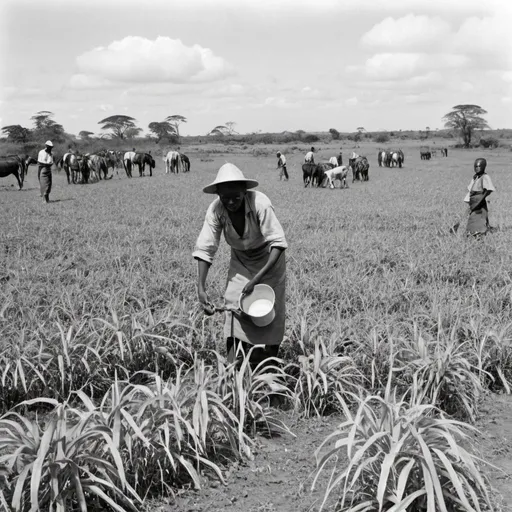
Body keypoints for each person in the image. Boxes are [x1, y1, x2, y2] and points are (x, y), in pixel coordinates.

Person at [193, 163, 288, 367]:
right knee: (233, 305)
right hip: (241, 260)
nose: (230, 201)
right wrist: (201, 288)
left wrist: (257, 279)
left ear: (244, 191)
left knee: (269, 310)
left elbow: (278, 244)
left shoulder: (260, 203)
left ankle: (270, 362)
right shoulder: (216, 210)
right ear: (217, 194)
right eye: (224, 197)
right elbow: (205, 248)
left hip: (269, 261)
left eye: (235, 196)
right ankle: (231, 364)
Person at [464, 158, 496, 237]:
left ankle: (478, 233)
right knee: (475, 216)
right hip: (474, 200)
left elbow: (488, 190)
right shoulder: (475, 177)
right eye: (475, 166)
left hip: (480, 200)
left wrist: (480, 200)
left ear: (483, 167)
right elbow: (470, 189)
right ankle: (480, 230)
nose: (476, 168)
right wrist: (470, 201)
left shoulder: (485, 177)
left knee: (478, 217)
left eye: (479, 166)